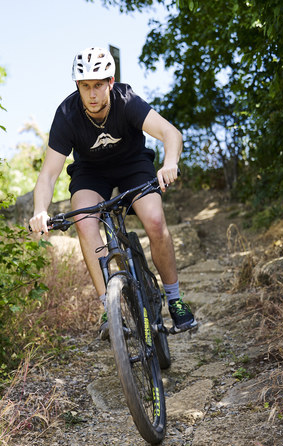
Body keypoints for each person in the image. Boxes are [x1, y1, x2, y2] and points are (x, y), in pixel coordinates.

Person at [29, 47, 197, 337]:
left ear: (110, 81)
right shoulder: (67, 114)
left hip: (133, 165)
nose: (92, 94)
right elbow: (48, 175)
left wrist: (170, 164)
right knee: (84, 221)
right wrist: (40, 210)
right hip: (91, 174)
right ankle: (109, 306)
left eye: (98, 85)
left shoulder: (126, 100)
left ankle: (174, 299)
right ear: (77, 86)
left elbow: (171, 133)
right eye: (85, 86)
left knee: (155, 220)